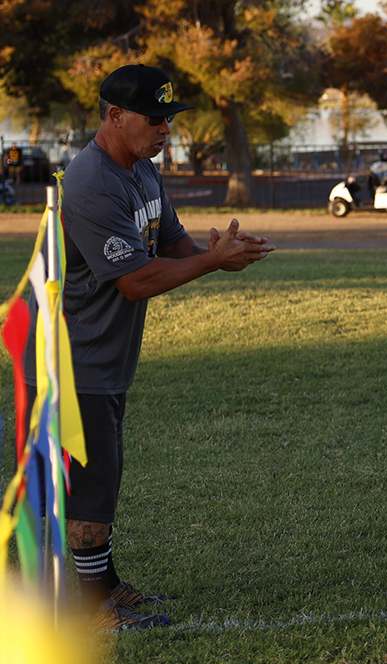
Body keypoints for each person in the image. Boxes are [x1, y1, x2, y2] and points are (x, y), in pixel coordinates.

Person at [24, 64, 275, 633]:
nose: (167, 130)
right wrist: (210, 262)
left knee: (104, 475)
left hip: (103, 353)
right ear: (115, 116)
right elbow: (134, 280)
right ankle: (90, 609)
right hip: (70, 356)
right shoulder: (89, 182)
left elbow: (175, 245)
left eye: (170, 119)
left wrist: (217, 249)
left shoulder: (142, 172)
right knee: (94, 480)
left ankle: (104, 584)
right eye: (156, 119)